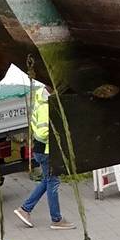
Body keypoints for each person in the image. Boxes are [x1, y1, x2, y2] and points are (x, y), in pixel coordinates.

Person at [14, 88, 73, 229]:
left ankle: (25, 209)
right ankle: (56, 219)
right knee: (53, 182)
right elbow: (42, 134)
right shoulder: (46, 107)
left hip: (40, 150)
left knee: (48, 180)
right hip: (46, 151)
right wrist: (57, 134)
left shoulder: (40, 96)